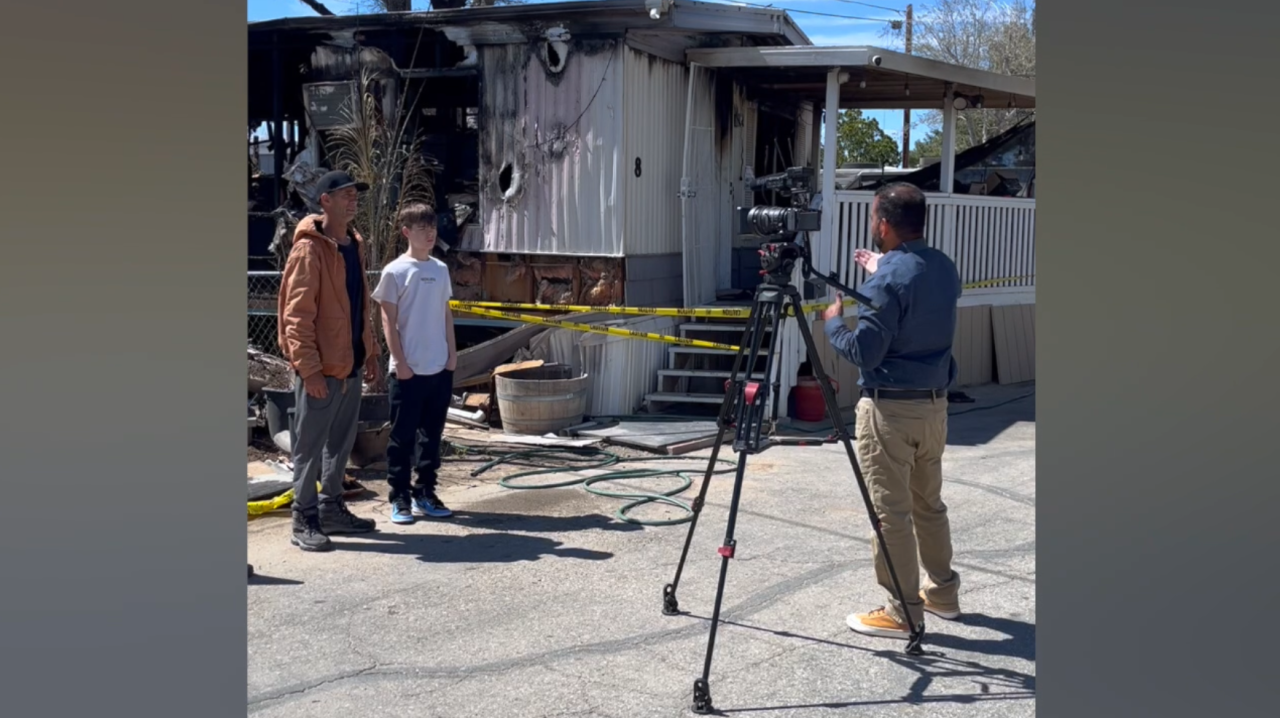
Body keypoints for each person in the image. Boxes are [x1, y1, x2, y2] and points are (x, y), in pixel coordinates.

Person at [820, 182, 964, 639]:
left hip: (890, 412)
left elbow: (866, 352)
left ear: (882, 222)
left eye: (872, 218)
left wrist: (832, 325)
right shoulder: (942, 267)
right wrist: (887, 268)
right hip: (933, 407)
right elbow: (914, 291)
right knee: (929, 505)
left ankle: (902, 610)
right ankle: (942, 592)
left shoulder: (885, 280)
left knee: (891, 514)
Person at [277, 170, 381, 552]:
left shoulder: (353, 243)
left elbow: (358, 304)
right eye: (346, 194)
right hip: (321, 370)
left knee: (339, 442)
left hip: (349, 363)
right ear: (325, 201)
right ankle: (303, 517)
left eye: (356, 194)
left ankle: (332, 508)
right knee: (309, 445)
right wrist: (310, 370)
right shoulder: (310, 249)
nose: (354, 200)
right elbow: (296, 316)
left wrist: (369, 351)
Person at [371, 203, 458, 525]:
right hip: (408, 370)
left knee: (431, 436)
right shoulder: (395, 271)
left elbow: (445, 313)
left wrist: (452, 354)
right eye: (421, 229)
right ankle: (400, 497)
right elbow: (387, 320)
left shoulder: (440, 269)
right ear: (407, 232)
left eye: (432, 227)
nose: (429, 233)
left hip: (439, 367)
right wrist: (400, 362)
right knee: (401, 437)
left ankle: (426, 491)